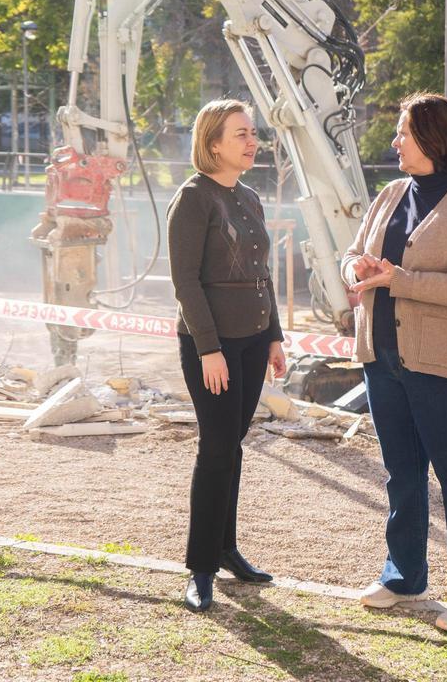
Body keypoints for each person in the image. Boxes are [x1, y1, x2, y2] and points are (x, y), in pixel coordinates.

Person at [341, 92, 447, 634]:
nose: (394, 142)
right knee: (401, 473)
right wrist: (356, 269)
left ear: (433, 138)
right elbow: (352, 255)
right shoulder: (389, 193)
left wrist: (398, 280)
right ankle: (403, 576)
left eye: (403, 132)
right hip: (381, 354)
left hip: (445, 361)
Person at [167, 99, 288, 613]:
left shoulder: (250, 198)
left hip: (254, 340)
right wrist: (208, 349)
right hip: (210, 344)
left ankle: (226, 548)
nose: (251, 141)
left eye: (252, 133)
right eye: (240, 133)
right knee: (216, 447)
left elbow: (262, 273)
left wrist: (276, 337)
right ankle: (200, 567)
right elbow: (185, 282)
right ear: (212, 142)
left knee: (233, 445)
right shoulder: (193, 199)